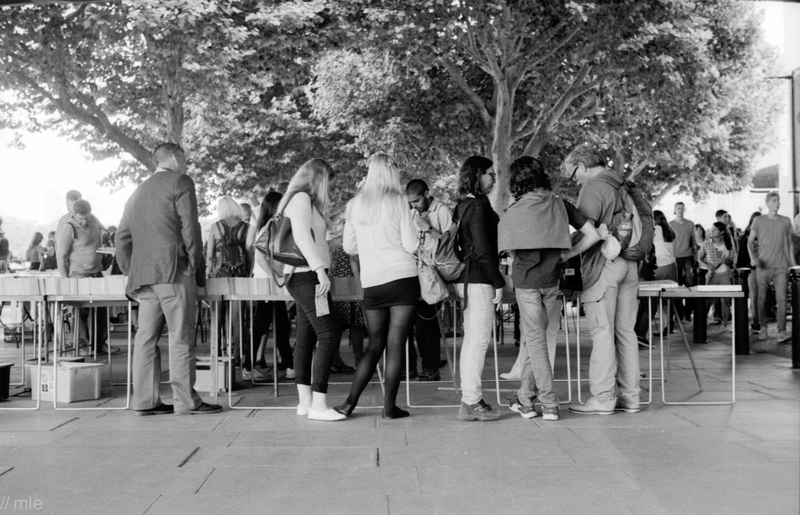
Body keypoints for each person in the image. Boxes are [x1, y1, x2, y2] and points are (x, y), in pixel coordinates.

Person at [116, 142, 221, 416]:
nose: (186, 165)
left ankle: (144, 401)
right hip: (174, 271)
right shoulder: (180, 181)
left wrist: (130, 271)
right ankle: (186, 401)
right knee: (181, 338)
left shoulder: (137, 192)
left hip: (145, 278)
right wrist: (196, 268)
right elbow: (191, 227)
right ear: (174, 157)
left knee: (145, 340)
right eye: (184, 159)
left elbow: (121, 237)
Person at [498, 156, 602, 421]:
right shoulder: (560, 204)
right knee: (538, 341)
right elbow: (594, 235)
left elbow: (509, 250)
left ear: (517, 181)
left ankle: (550, 403)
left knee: (535, 340)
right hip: (552, 280)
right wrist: (568, 255)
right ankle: (525, 399)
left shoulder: (516, 209)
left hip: (525, 281)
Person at [334, 153, 419, 420]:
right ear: (391, 173)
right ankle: (389, 407)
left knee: (374, 345)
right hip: (402, 279)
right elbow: (412, 245)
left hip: (372, 282)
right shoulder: (398, 201)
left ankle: (348, 404)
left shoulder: (355, 204)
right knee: (396, 345)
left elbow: (349, 247)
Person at [564, 146, 641, 415]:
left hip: (603, 266)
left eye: (573, 174)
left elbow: (590, 234)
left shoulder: (593, 188)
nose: (574, 180)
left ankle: (603, 397)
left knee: (602, 332)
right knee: (626, 333)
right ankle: (631, 397)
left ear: (583, 166)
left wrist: (568, 253)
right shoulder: (621, 183)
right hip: (630, 265)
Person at [278, 158, 344, 421]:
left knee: (306, 337)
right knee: (329, 333)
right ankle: (319, 404)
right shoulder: (302, 199)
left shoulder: (297, 199)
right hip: (307, 275)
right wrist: (319, 270)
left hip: (303, 275)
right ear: (319, 178)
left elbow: (310, 237)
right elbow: (303, 237)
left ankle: (305, 402)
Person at [450, 155, 506, 422]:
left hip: (466, 279)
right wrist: (498, 281)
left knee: (471, 341)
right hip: (480, 279)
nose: (493, 178)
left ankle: (469, 400)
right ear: (477, 175)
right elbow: (484, 250)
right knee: (478, 341)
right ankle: (472, 402)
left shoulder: (462, 205)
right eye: (490, 173)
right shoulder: (480, 207)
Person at [405, 178, 452, 381]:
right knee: (409, 320)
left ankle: (430, 368)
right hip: (412, 270)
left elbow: (449, 243)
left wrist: (427, 229)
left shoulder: (441, 211)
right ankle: (409, 368)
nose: (413, 205)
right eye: (410, 202)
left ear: (426, 194)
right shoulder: (410, 214)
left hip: (434, 273)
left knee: (427, 321)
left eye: (416, 201)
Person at [56, 199, 113, 355]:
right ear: (74, 214)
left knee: (102, 310)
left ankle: (100, 344)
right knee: (81, 312)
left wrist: (105, 237)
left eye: (86, 216)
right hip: (78, 274)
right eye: (81, 218)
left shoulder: (93, 219)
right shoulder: (69, 228)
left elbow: (104, 231)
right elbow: (61, 255)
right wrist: (65, 280)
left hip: (96, 272)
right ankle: (81, 344)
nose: (84, 220)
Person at [251, 191, 294, 381]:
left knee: (277, 323)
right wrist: (274, 276)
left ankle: (288, 364)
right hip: (267, 283)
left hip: (268, 281)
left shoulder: (268, 226)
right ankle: (249, 365)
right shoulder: (270, 227)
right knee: (265, 324)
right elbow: (260, 256)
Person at [748, 192, 795, 343]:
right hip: (763, 266)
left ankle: (781, 331)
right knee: (762, 299)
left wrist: (792, 264)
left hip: (781, 266)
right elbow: (749, 242)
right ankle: (763, 327)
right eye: (774, 201)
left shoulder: (786, 221)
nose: (777, 203)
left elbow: (789, 244)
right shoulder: (758, 220)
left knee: (781, 299)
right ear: (767, 203)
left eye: (778, 200)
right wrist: (753, 258)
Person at [635, 210, 677, 342]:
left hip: (656, 267)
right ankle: (667, 324)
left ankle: (641, 333)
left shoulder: (651, 232)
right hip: (670, 265)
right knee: (664, 300)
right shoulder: (670, 232)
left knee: (650, 301)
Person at [698, 222, 736, 326]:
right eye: (711, 229)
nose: (712, 231)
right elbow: (699, 258)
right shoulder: (707, 243)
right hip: (712, 274)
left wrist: (727, 261)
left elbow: (733, 260)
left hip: (725, 274)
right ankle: (702, 321)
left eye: (715, 229)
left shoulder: (728, 243)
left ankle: (725, 323)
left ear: (722, 232)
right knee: (708, 300)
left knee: (726, 300)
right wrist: (707, 265)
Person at [670, 202, 695, 320]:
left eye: (682, 208)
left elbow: (694, 240)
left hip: (688, 256)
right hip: (675, 257)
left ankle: (688, 311)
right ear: (675, 210)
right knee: (677, 284)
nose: (680, 210)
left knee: (691, 283)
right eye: (678, 208)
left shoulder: (690, 224)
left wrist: (696, 256)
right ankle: (679, 312)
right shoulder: (670, 225)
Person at [738, 212, 761, 332]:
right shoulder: (746, 236)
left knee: (762, 295)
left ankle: (759, 320)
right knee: (754, 295)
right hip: (751, 269)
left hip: (763, 268)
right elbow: (742, 255)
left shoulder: (765, 234)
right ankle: (757, 322)